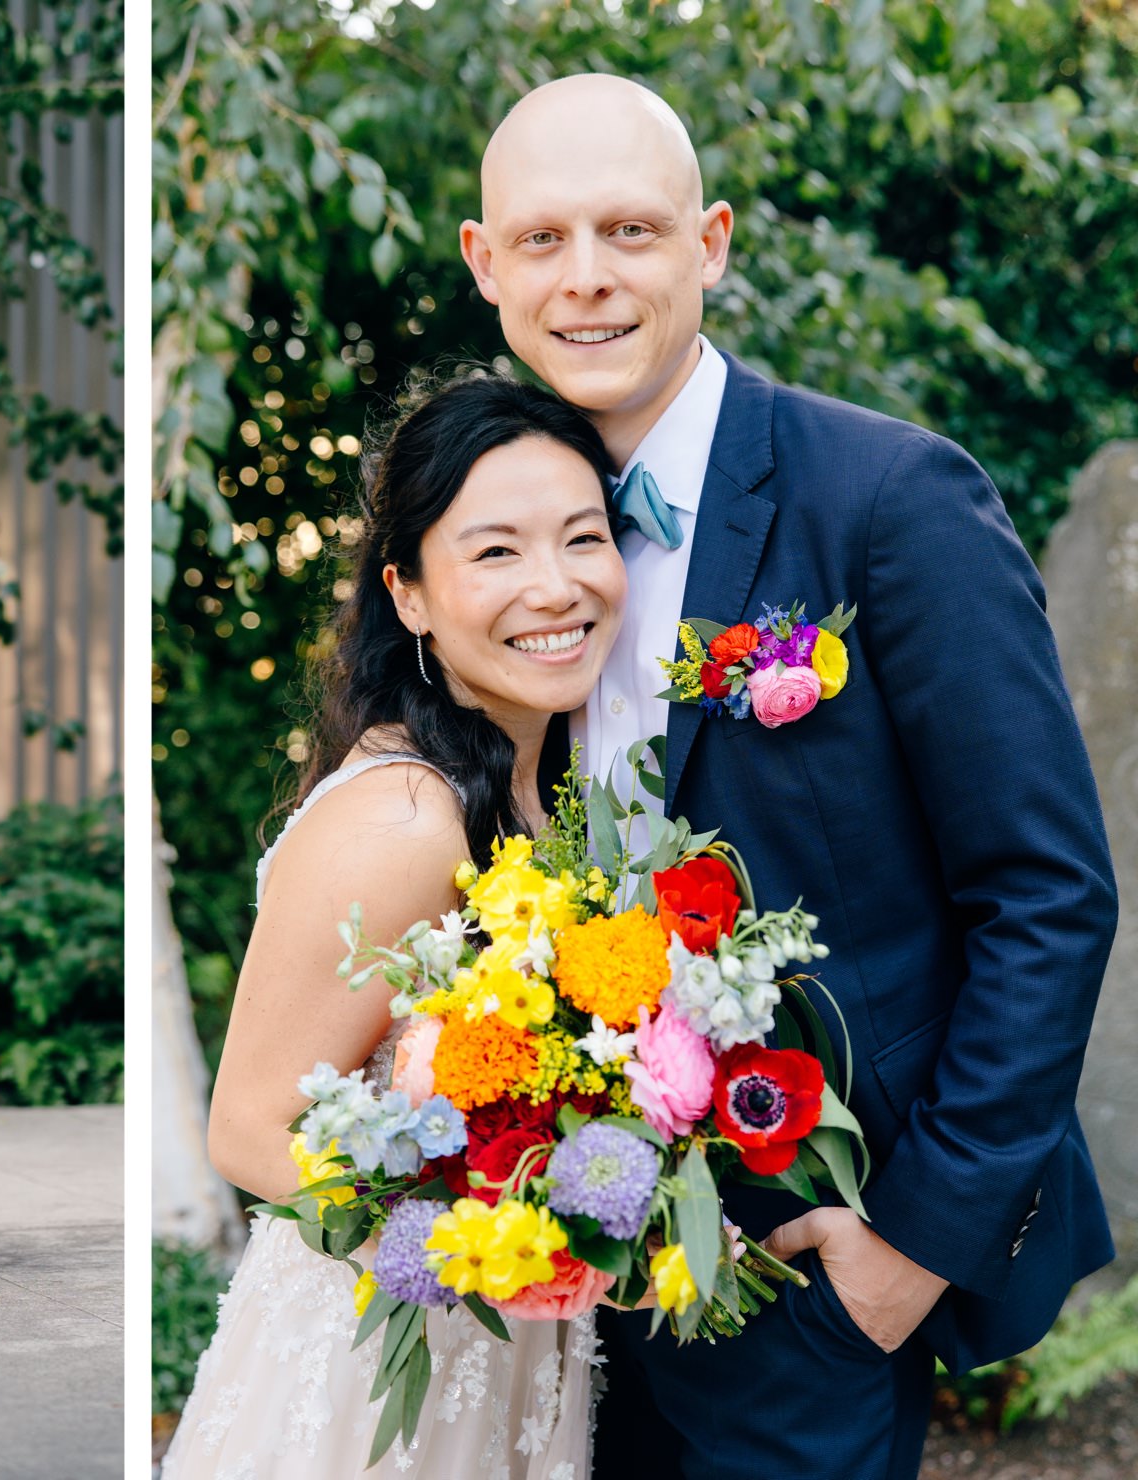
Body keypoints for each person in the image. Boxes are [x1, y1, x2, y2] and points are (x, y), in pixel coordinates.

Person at [459, 74, 1116, 1478]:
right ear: (483, 262)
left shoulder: (889, 501)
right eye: (543, 240)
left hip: (810, 1267)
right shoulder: (491, 530)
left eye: (631, 232)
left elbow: (1049, 893)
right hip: (562, 1272)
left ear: (711, 243)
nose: (586, 280)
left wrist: (908, 1250)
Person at [162, 371, 627, 1477]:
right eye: (495, 551)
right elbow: (245, 1130)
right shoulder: (403, 816)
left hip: (508, 1336)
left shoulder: (542, 792)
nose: (554, 586)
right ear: (408, 592)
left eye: (581, 537)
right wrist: (469, 1245)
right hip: (379, 1361)